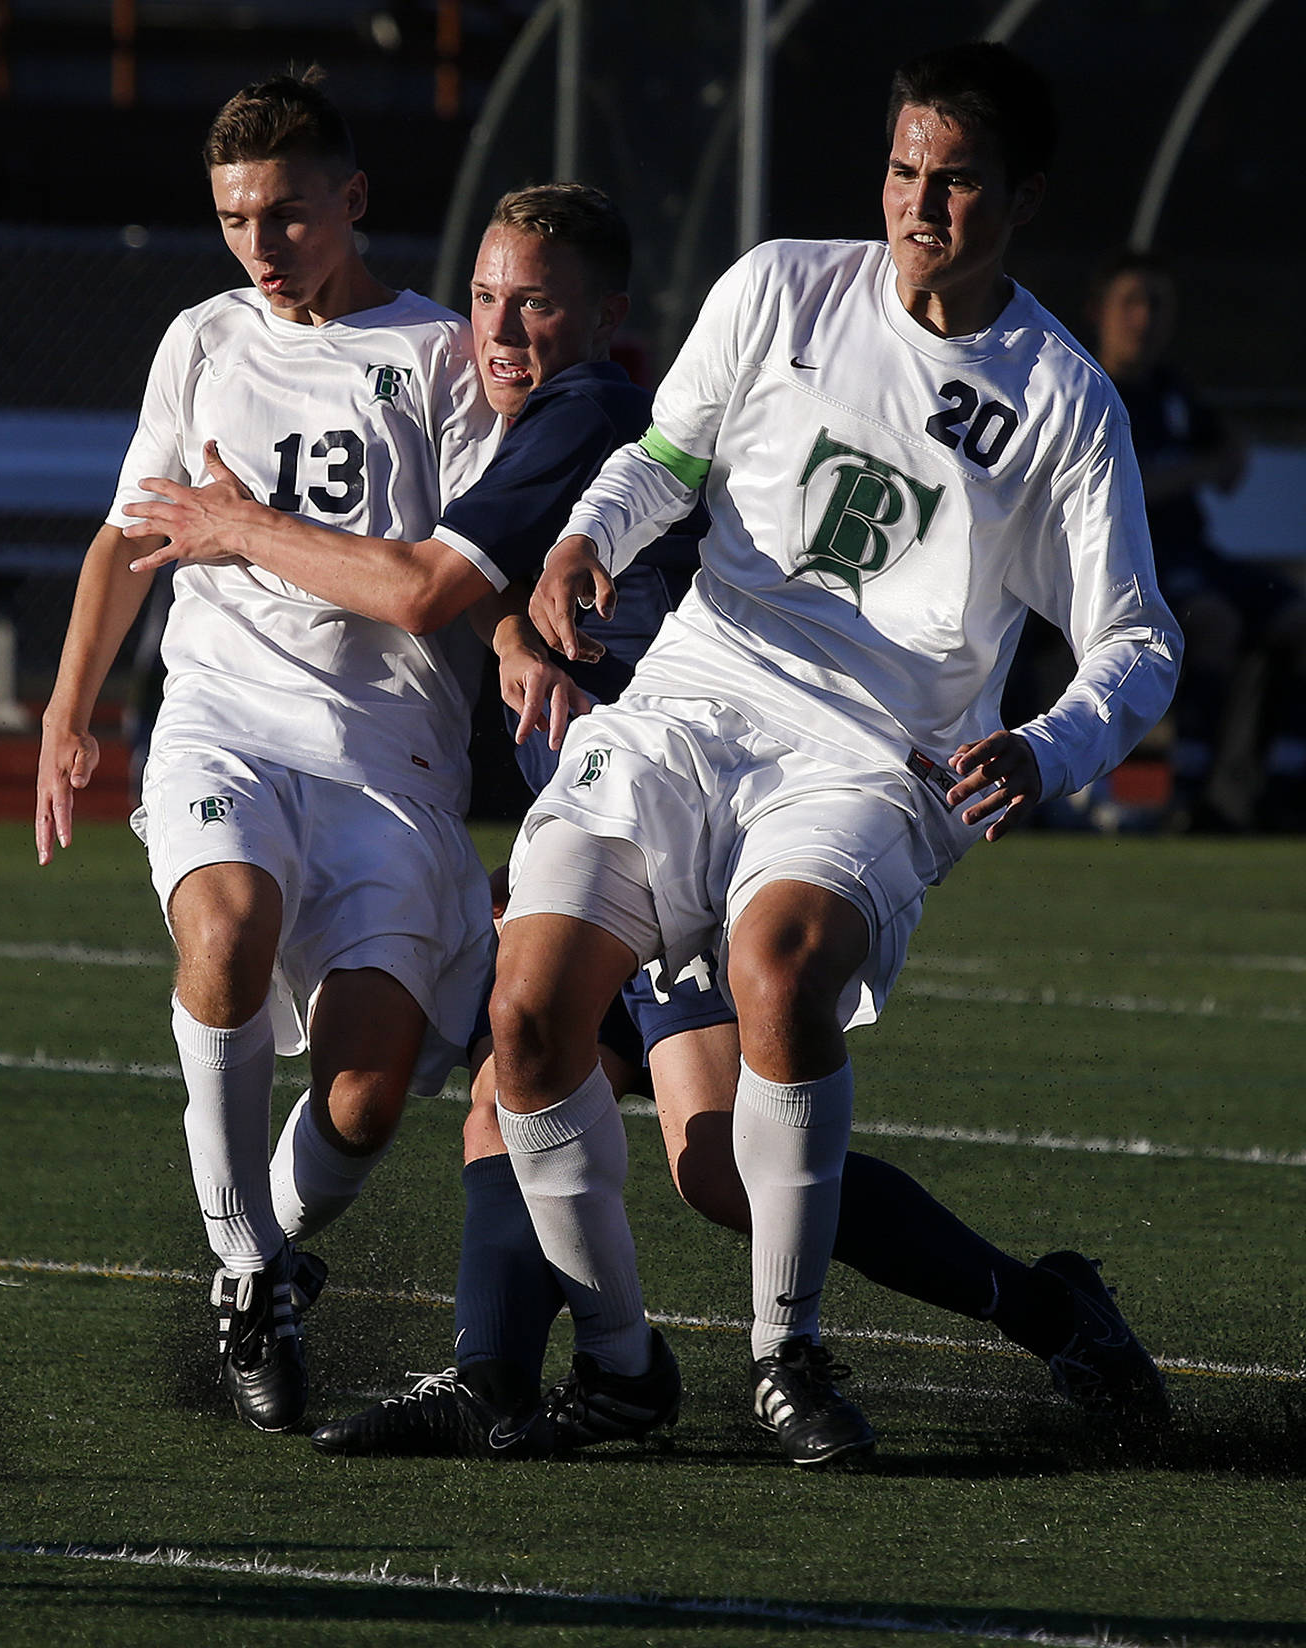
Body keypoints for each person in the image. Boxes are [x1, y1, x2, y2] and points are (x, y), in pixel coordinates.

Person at [129, 183, 1170, 1463]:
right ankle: (503, 1372)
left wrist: (237, 527)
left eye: (537, 306)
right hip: (625, 803)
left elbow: (424, 582)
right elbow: (483, 583)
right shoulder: (502, 427)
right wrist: (516, 637)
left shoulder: (584, 413)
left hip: (715, 815)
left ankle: (1013, 1307)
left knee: (713, 1164)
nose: (502, 333)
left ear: (606, 321)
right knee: (526, 1070)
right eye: (486, 301)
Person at [502, 40, 1181, 1469]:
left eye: (955, 181)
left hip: (881, 754)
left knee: (785, 963)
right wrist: (584, 542)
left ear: (1023, 198)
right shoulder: (779, 288)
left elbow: (1138, 642)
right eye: (901, 169)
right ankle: (619, 1369)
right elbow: (663, 464)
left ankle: (785, 1358)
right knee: (538, 1027)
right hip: (697, 700)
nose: (917, 204)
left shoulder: (1062, 399)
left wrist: (1051, 747)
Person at [36, 72, 523, 1435]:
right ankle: (247, 1273)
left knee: (366, 1095)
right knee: (229, 925)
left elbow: (460, 574)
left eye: (289, 215)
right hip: (222, 721)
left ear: (353, 202)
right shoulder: (203, 339)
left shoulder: (438, 357)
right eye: (236, 218)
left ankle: (274, 1253)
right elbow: (129, 537)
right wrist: (69, 715)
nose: (261, 245)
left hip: (390, 765)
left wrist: (524, 647)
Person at [1088, 249, 1306, 833]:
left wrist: (1207, 459)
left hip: (1196, 557)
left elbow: (1232, 468)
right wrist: (1192, 469)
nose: (1145, 318)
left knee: (1295, 616)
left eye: (1158, 304)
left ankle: (1280, 782)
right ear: (1101, 312)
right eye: (1132, 302)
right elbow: (1127, 489)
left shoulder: (1173, 391)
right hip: (1133, 569)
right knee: (1211, 621)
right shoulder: (1087, 386)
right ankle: (1184, 793)